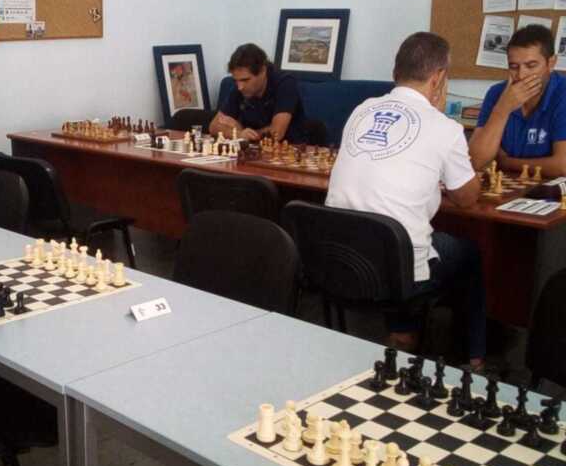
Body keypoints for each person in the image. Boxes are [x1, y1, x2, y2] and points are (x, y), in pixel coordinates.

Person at [326, 32, 487, 370]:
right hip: (396, 271)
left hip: (339, 260)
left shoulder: (362, 109)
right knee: (467, 252)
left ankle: (404, 334)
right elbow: (468, 198)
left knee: (405, 240)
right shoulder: (444, 127)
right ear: (439, 78)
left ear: (395, 71)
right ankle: (475, 358)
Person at [470, 25, 566, 178]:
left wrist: (506, 162)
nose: (521, 75)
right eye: (514, 67)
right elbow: (475, 162)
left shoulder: (562, 93)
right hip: (509, 191)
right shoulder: (497, 93)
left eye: (531, 66)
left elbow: (562, 166)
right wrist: (503, 108)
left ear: (551, 63)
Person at [209, 43, 306, 143]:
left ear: (263, 71)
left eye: (245, 80)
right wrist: (239, 134)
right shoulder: (239, 87)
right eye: (236, 80)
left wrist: (241, 131)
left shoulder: (285, 83)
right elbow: (213, 127)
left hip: (287, 151)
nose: (239, 87)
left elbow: (277, 133)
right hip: (254, 150)